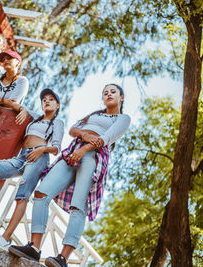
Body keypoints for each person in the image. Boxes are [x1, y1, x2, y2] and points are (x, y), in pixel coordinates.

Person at [8, 84, 131, 267]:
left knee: (78, 206)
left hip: (93, 156)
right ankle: (34, 247)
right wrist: (83, 135)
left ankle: (63, 258)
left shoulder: (123, 118)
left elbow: (106, 138)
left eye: (113, 92)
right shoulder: (94, 115)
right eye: (105, 92)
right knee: (42, 193)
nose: (108, 94)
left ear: (121, 97)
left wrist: (84, 149)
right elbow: (73, 129)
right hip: (72, 151)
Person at [0, 89, 64, 251]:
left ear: (57, 105)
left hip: (38, 157)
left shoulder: (57, 123)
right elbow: (15, 105)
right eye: (44, 99)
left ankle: (5, 238)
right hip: (21, 157)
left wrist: (42, 149)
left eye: (51, 99)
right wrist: (23, 109)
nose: (46, 101)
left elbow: (56, 148)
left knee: (22, 196)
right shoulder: (35, 118)